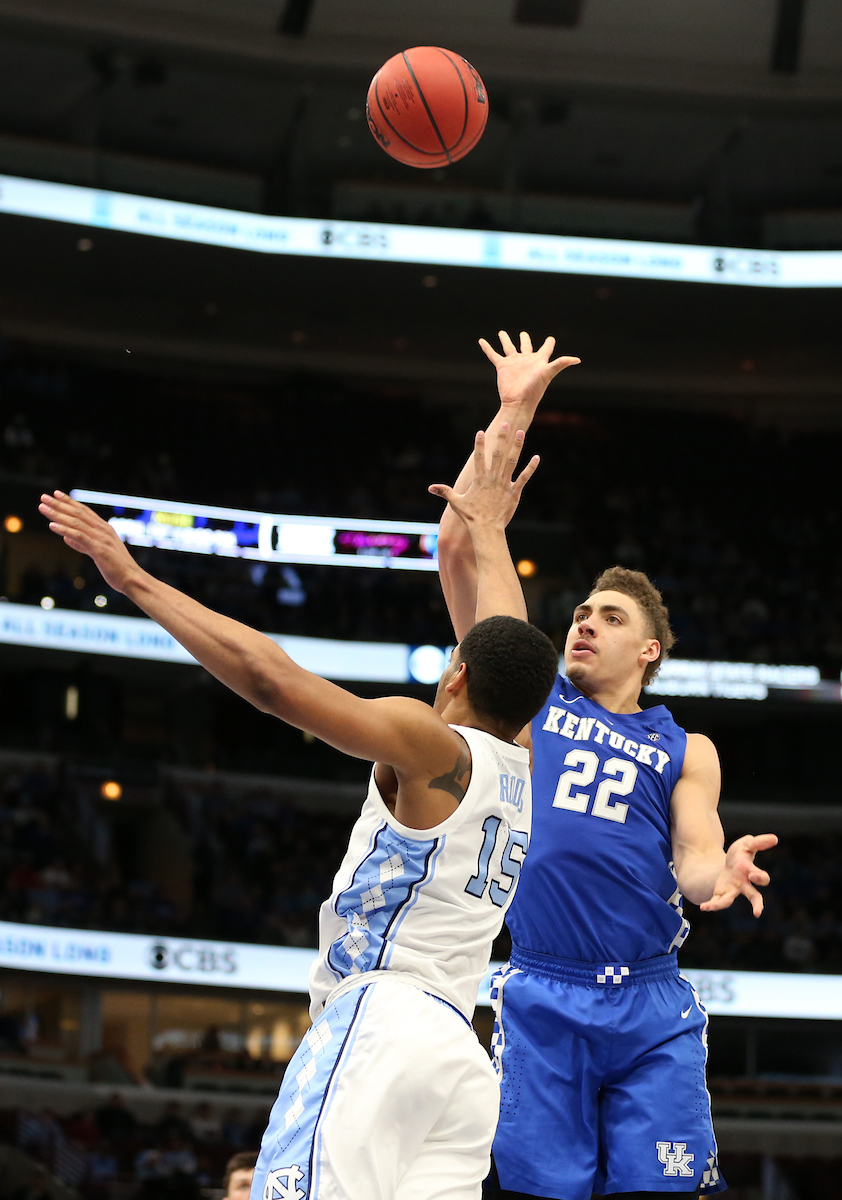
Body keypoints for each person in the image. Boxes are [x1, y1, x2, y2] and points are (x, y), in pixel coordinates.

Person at [39, 422, 560, 1200]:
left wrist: (132, 578)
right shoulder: (526, 759)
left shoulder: (432, 745)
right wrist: (499, 470)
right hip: (459, 1053)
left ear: (456, 670)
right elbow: (509, 641)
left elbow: (271, 681)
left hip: (382, 1018)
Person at [436, 331, 778, 1200]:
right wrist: (512, 414)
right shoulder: (536, 697)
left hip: (651, 1004)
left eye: (610, 617)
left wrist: (718, 876)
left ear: (650, 649)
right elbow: (486, 570)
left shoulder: (682, 746)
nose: (585, 622)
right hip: (543, 987)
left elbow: (695, 856)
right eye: (581, 610)